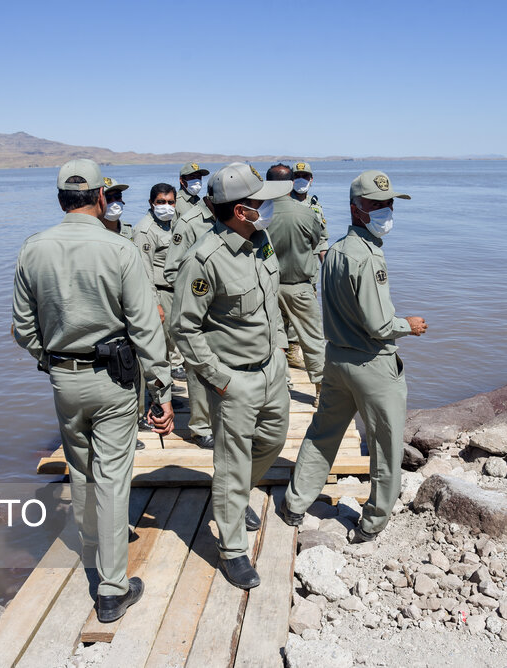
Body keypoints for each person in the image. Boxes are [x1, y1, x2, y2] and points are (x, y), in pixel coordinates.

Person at [12, 159, 174, 622]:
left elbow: (22, 328)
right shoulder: (121, 250)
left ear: (61, 199)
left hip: (64, 380)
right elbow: (146, 330)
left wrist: (52, 363)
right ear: (101, 198)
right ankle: (111, 588)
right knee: (112, 477)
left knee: (80, 470)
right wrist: (160, 391)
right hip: (114, 381)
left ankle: (89, 555)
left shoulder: (33, 248)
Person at [277, 170, 427, 544]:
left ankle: (295, 504)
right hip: (371, 365)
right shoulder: (368, 258)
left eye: (390, 203)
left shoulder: (336, 251)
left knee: (322, 434)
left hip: (336, 361)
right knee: (386, 447)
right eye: (377, 205)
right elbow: (378, 325)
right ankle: (372, 523)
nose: (386, 211)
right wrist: (409, 325)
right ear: (356, 209)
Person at [170, 162, 292, 589]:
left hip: (272, 370)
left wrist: (280, 348)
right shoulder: (204, 261)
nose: (269, 207)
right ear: (241, 210)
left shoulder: (261, 242)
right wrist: (218, 379)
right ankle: (232, 549)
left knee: (274, 439)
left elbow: (269, 302)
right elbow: (184, 328)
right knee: (231, 461)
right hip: (234, 380)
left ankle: (235, 496)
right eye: (261, 202)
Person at [162, 183, 218, 449]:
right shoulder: (189, 223)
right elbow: (172, 271)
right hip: (198, 307)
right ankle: (200, 428)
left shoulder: (229, 217)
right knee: (196, 368)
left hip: (221, 309)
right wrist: (201, 290)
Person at [264, 163, 326, 406]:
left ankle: (283, 385)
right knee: (312, 340)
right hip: (300, 286)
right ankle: (320, 391)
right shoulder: (307, 213)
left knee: (274, 340)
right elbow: (314, 242)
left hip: (268, 287)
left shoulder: (260, 214)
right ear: (291, 184)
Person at [133, 184, 186, 380]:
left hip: (176, 289)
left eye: (170, 202)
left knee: (176, 334)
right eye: (161, 202)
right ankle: (167, 383)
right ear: (151, 203)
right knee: (164, 339)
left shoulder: (173, 223)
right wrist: (155, 303)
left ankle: (174, 372)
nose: (167, 206)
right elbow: (144, 271)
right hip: (160, 291)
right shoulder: (145, 230)